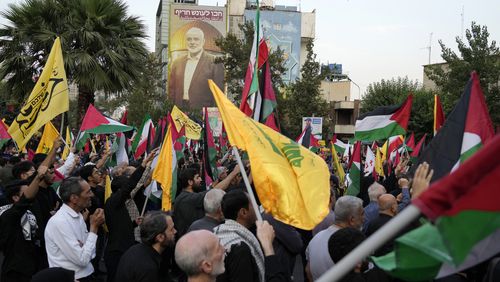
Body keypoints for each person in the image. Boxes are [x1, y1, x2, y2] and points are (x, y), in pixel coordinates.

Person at [214, 190, 288, 282]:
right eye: (253, 204)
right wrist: (268, 246)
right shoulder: (239, 249)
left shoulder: (219, 233)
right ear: (243, 212)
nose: (257, 207)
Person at [103, 152, 155, 282]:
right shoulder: (113, 201)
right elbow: (131, 185)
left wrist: (134, 223)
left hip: (127, 248)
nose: (132, 190)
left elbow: (120, 223)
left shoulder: (123, 203)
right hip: (117, 252)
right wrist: (142, 165)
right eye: (127, 188)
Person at [44, 177, 105, 281]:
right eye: (88, 192)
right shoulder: (60, 222)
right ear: (74, 198)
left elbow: (91, 253)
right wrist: (93, 228)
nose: (92, 195)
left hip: (87, 275)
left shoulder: (78, 215)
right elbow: (83, 259)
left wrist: (85, 247)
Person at [0, 166, 48, 282]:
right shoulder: (8, 215)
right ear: (16, 197)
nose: (32, 194)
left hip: (32, 266)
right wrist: (38, 177)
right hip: (15, 271)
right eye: (26, 191)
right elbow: (26, 199)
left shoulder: (29, 212)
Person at [305, 195, 365, 281]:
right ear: (352, 219)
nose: (364, 218)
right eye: (362, 214)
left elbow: (308, 270)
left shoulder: (316, 238)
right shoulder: (352, 244)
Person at [168, 27, 224, 108]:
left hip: (202, 112)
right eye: (189, 39)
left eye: (196, 39)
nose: (192, 42)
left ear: (203, 41)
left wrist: (214, 115)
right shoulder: (177, 62)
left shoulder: (215, 62)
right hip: (179, 110)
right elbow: (172, 90)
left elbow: (218, 93)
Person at [114, 211, 176, 282]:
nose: (175, 231)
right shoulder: (148, 268)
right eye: (171, 229)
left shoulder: (136, 249)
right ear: (160, 237)